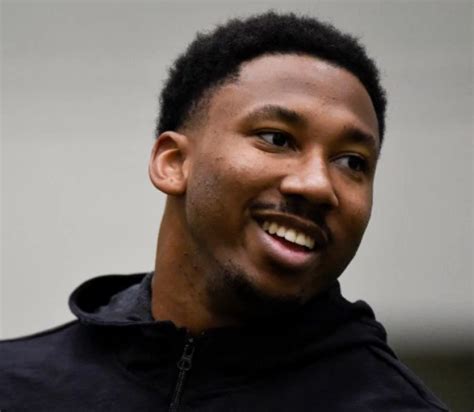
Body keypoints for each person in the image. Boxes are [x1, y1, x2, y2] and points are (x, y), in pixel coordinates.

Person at [0, 12, 448, 411]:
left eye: (352, 162)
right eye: (276, 139)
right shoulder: (17, 386)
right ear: (174, 163)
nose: (317, 185)